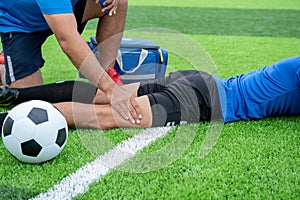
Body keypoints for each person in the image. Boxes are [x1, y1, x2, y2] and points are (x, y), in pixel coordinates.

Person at [0, 56, 299, 130]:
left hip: (200, 81)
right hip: (206, 101)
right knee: (105, 116)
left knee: (104, 94)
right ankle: (10, 118)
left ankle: (14, 96)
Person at [0, 0, 142, 124]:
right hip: (21, 22)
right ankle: (3, 65)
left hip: (66, 10)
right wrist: (111, 90)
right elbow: (68, 40)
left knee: (117, 2)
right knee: (32, 108)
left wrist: (106, 85)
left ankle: (107, 74)